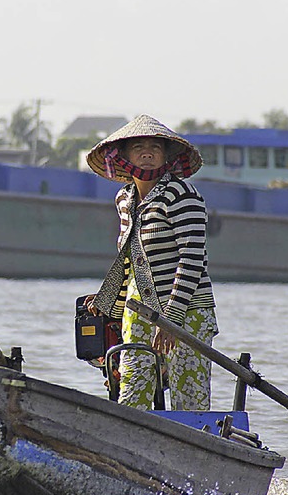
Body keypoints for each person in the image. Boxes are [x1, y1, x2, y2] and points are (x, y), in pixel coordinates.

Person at [85, 114, 217, 411]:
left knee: (189, 396)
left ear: (166, 157)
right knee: (132, 390)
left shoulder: (182, 196)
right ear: (124, 156)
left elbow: (192, 260)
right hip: (139, 309)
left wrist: (171, 319)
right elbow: (131, 260)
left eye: (155, 148)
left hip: (188, 311)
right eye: (138, 147)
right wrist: (109, 303)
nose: (147, 153)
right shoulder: (125, 199)